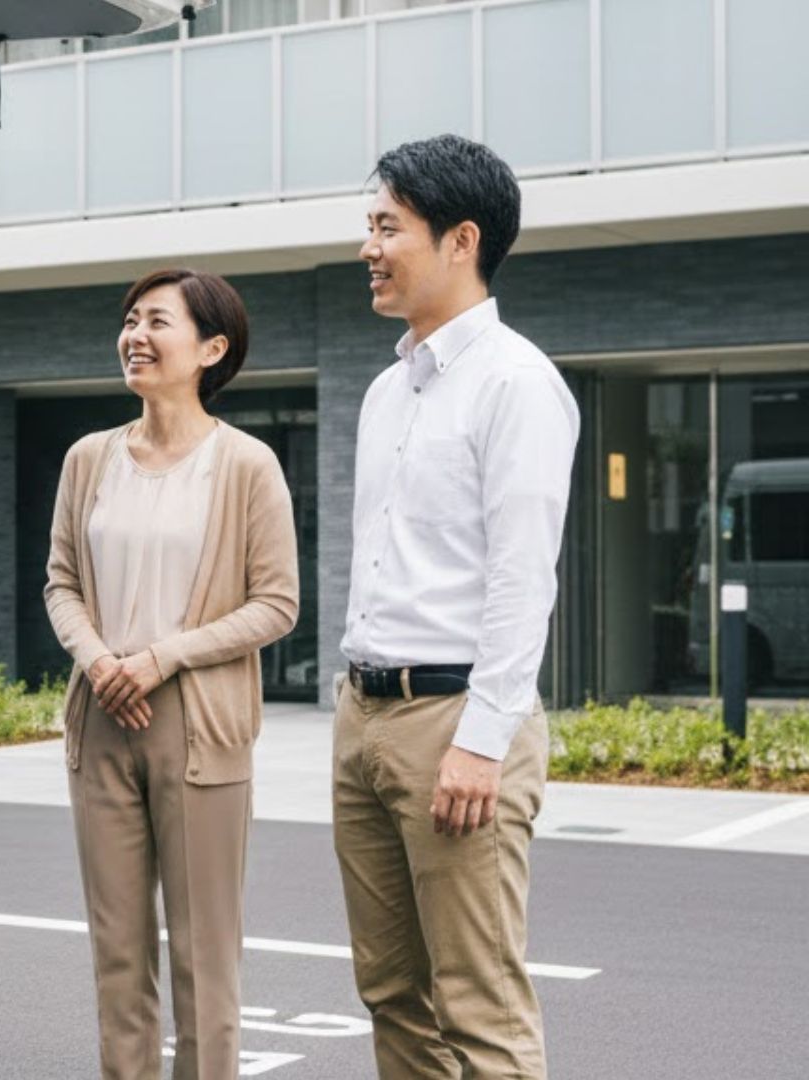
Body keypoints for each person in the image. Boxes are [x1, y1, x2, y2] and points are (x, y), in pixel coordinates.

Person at [335, 134, 579, 1079]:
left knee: (479, 1004)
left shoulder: (517, 383)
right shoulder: (385, 392)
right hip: (365, 716)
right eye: (370, 226)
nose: (369, 247)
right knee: (391, 992)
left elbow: (524, 578)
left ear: (461, 240)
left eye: (388, 226)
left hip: (455, 721)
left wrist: (482, 740)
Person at [45, 268, 300, 1080]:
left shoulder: (247, 464)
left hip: (198, 726)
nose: (136, 336)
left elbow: (277, 604)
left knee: (204, 956)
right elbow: (61, 583)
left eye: (158, 321)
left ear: (211, 349)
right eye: (130, 320)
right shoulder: (89, 459)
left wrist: (164, 656)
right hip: (101, 718)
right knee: (117, 954)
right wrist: (99, 659)